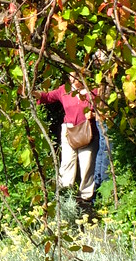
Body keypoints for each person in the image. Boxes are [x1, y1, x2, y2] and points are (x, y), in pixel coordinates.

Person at [34, 75, 99, 207]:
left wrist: (93, 115)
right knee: (67, 163)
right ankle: (64, 194)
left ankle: (85, 198)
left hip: (87, 130)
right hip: (69, 130)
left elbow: (104, 111)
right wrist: (32, 93)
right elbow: (47, 97)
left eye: (76, 77)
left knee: (87, 163)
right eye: (71, 77)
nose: (73, 80)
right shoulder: (65, 90)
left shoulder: (94, 91)